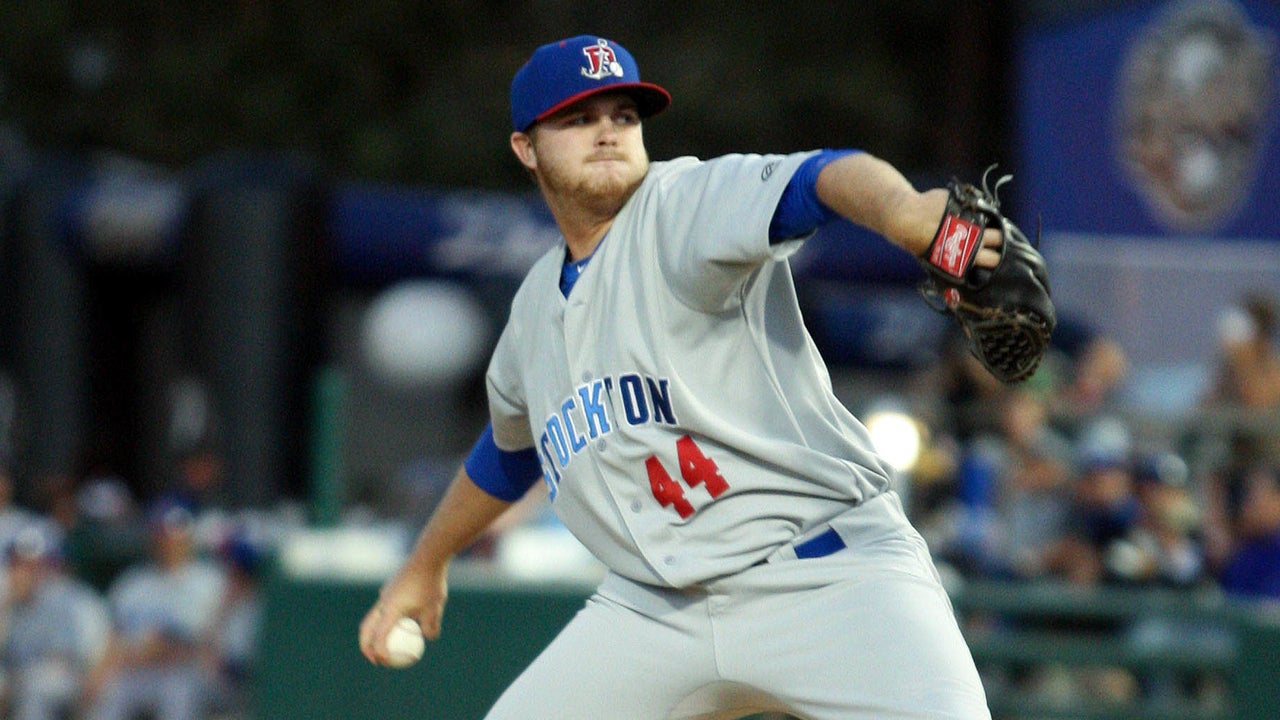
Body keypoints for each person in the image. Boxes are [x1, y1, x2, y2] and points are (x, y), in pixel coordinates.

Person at [359, 34, 1005, 720]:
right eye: (579, 119)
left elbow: (820, 177)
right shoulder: (532, 311)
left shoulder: (684, 205)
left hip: (829, 574)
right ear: (526, 148)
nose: (608, 133)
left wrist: (901, 211)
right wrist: (425, 564)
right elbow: (512, 450)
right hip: (654, 610)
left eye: (624, 116)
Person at [80, 500, 226, 720]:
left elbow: (212, 640)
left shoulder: (210, 581)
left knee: (178, 691)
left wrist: (166, 648)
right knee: (109, 691)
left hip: (188, 671)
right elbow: (114, 638)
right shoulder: (133, 582)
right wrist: (98, 676)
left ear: (188, 539)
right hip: (136, 670)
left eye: (175, 535)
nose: (168, 542)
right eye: (162, 534)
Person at [0, 523, 110, 720]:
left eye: (33, 564)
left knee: (36, 685)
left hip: (69, 678)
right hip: (20, 676)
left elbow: (100, 652)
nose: (24, 571)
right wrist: (7, 605)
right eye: (18, 563)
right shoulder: (9, 600)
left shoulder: (75, 599)